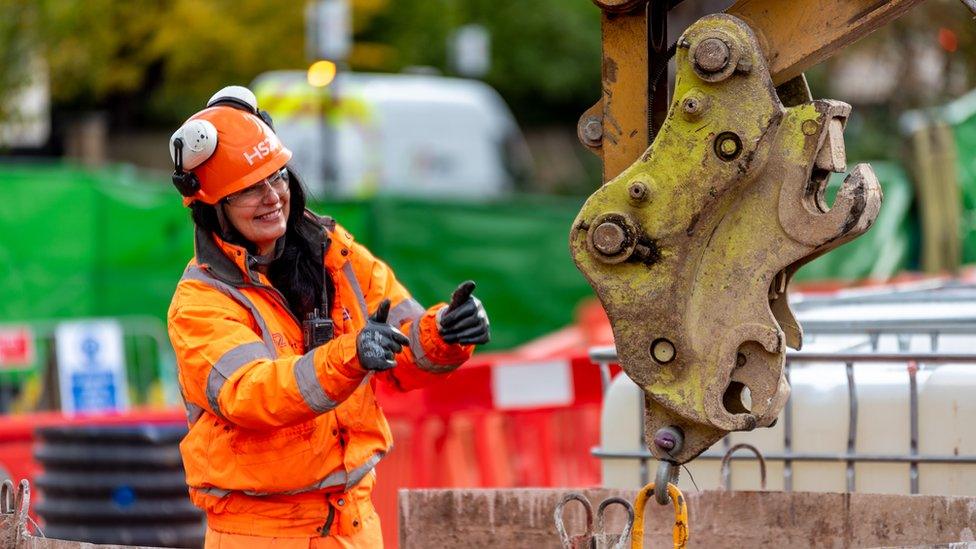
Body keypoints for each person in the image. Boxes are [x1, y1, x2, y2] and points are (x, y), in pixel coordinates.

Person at [166, 86, 490, 548]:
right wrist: (350, 356)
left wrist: (445, 333)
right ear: (211, 208)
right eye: (249, 189)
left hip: (354, 524)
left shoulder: (334, 253)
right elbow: (254, 393)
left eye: (277, 177)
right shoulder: (202, 302)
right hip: (259, 533)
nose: (272, 196)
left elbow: (405, 346)